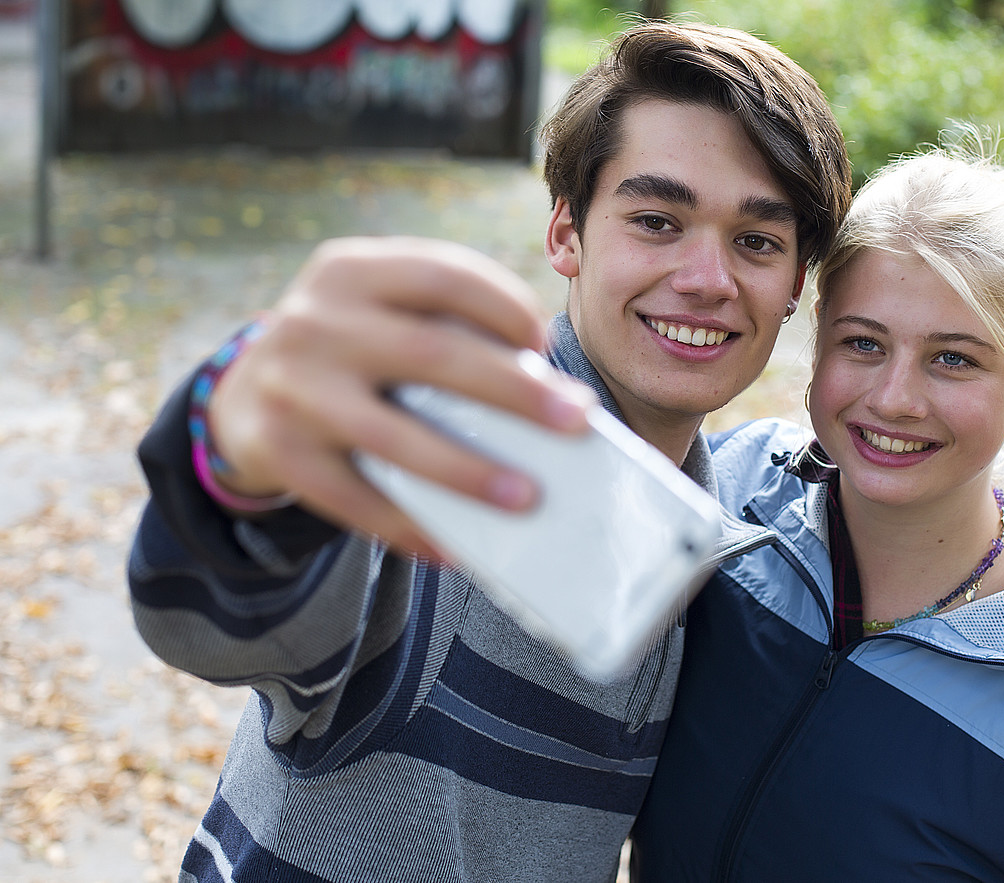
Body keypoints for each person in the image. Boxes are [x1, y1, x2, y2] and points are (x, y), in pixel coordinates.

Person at [126, 21, 851, 882]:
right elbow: (215, 621)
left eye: (757, 241)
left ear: (796, 283)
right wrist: (235, 451)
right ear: (566, 234)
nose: (707, 277)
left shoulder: (715, 516)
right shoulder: (454, 461)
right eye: (656, 220)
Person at [629, 143, 1004, 881]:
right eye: (864, 342)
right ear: (819, 332)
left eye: (953, 358)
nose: (894, 398)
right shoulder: (725, 499)